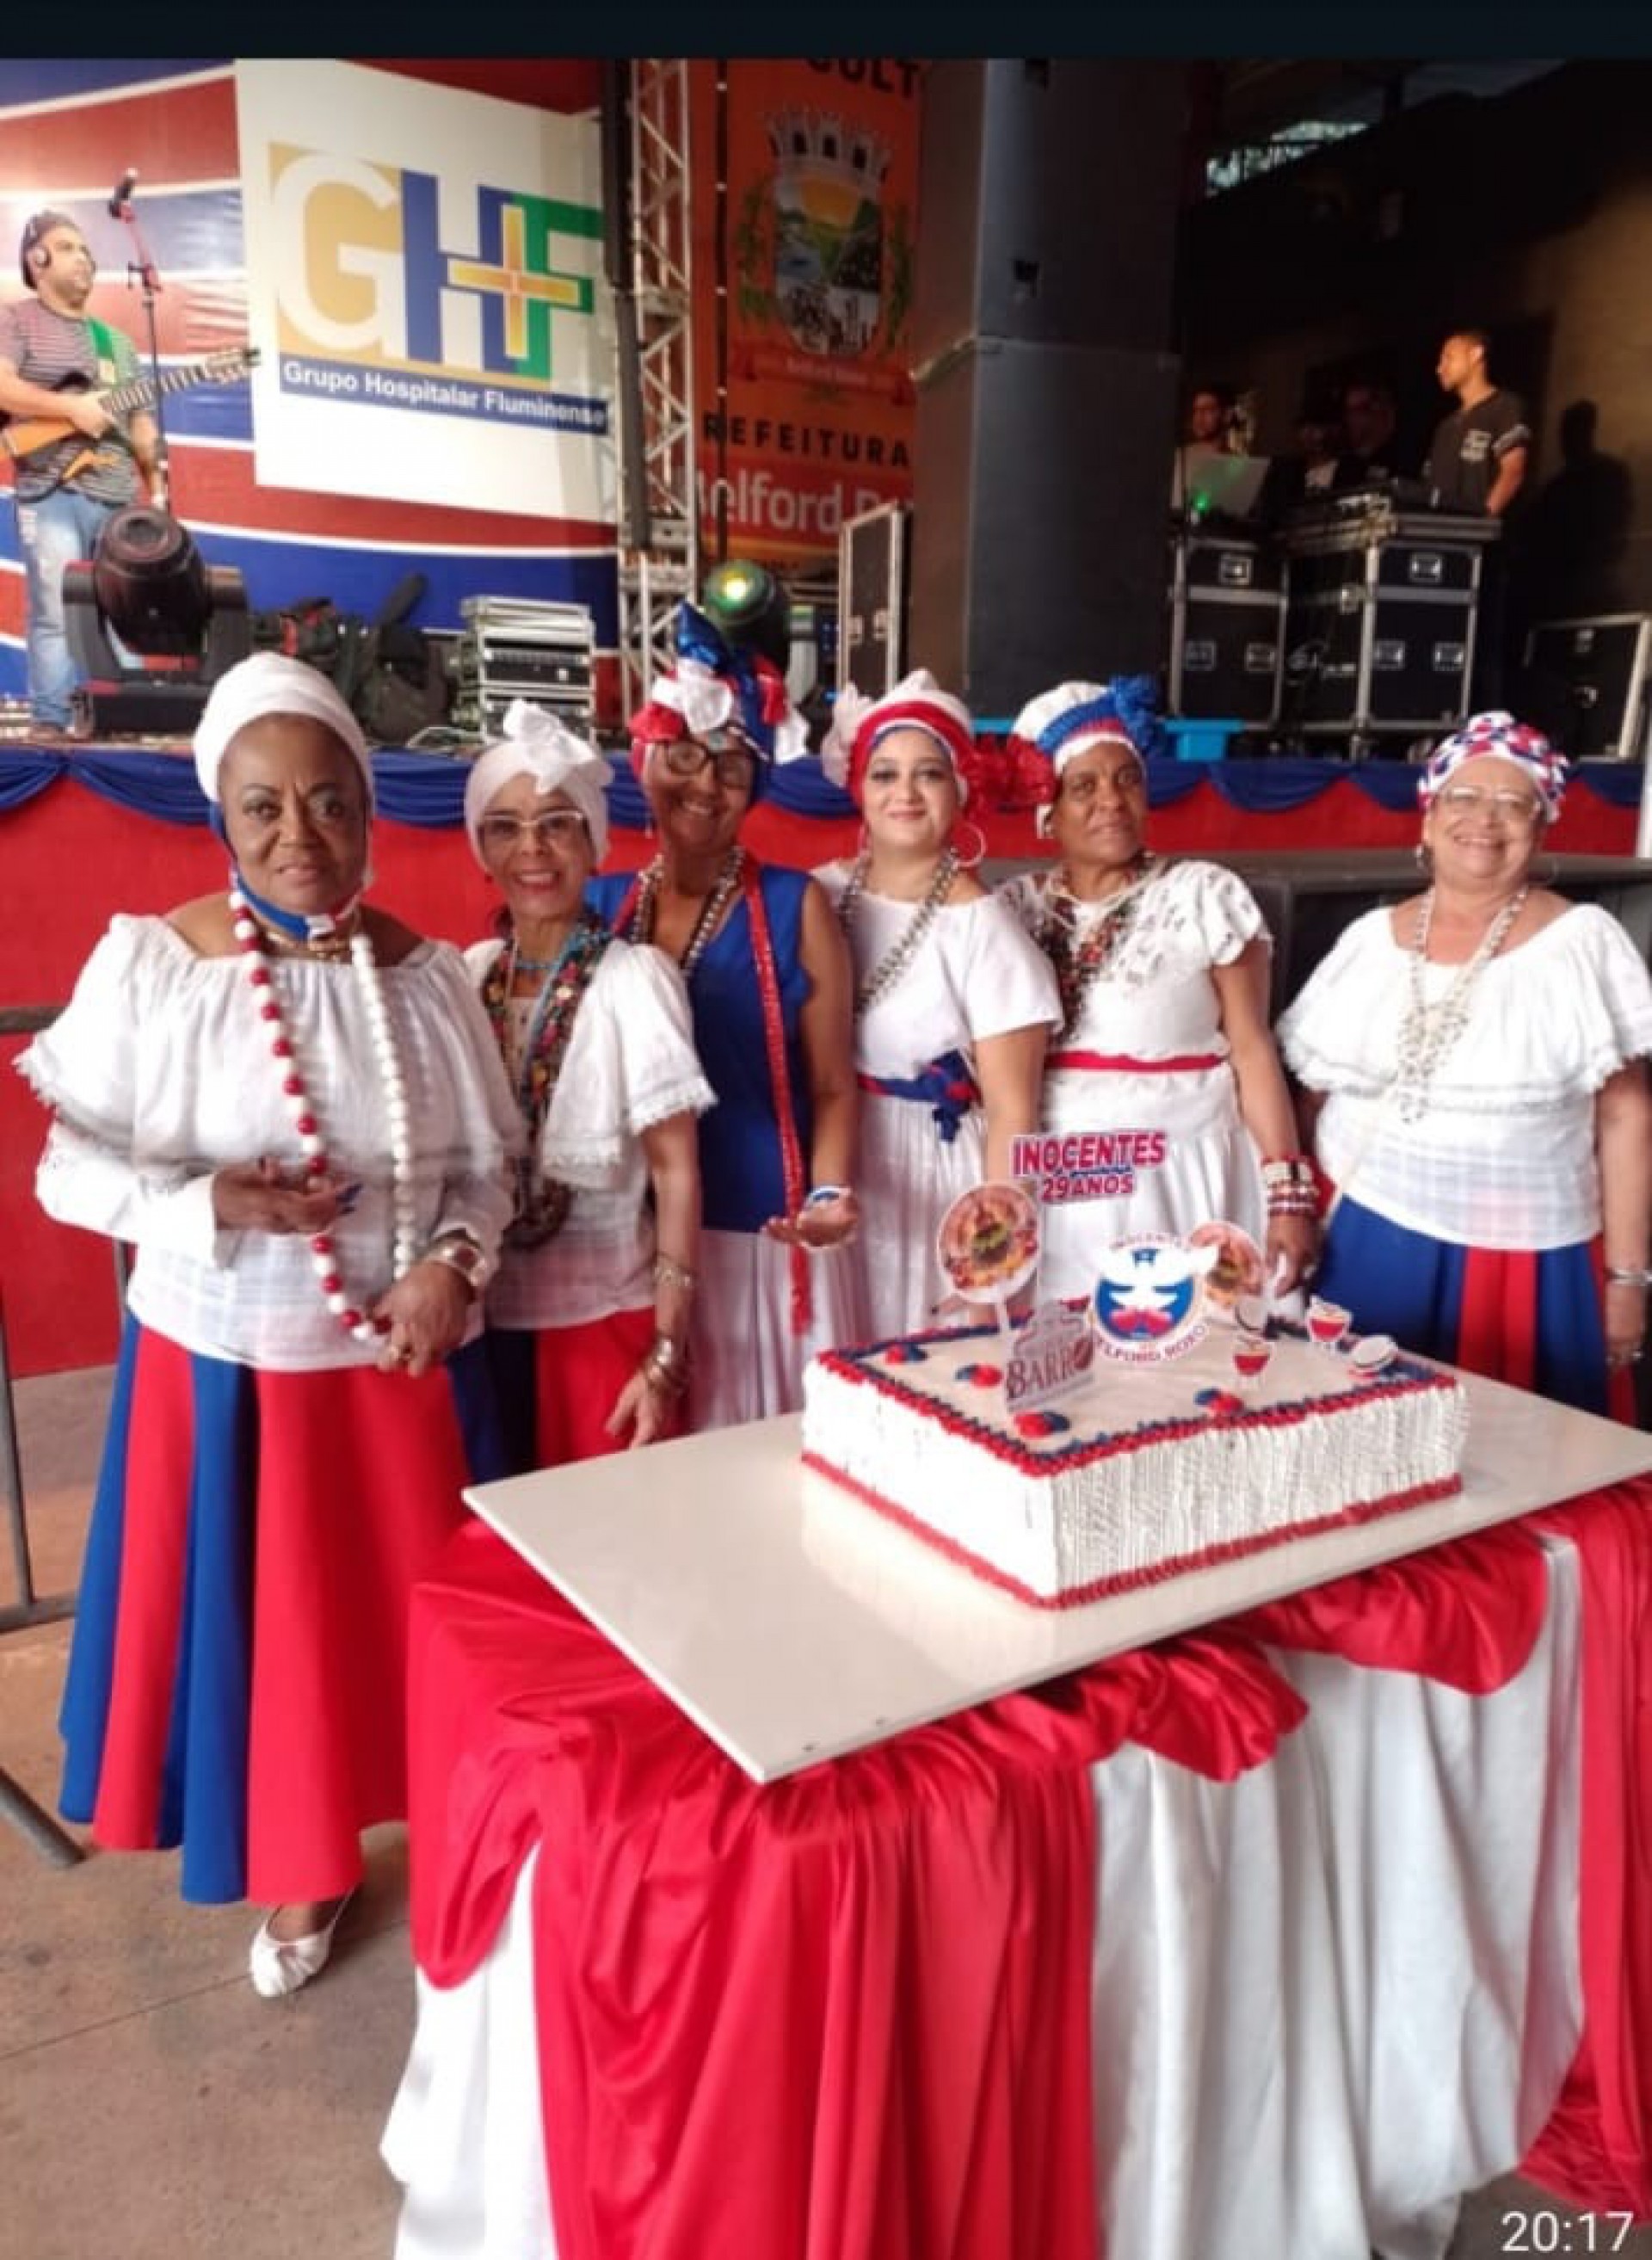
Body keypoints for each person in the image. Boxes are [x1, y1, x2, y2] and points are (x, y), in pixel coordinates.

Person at [15, 652, 521, 1995]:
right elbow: (65, 1170)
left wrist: (455, 1265)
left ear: (368, 805)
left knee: (410, 1636)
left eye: (328, 803)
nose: (299, 836)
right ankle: (308, 1859)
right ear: (221, 816)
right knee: (276, 1635)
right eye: (263, 808)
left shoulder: (427, 976)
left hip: (402, 1368)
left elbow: (487, 1166)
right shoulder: (160, 967)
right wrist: (205, 1201)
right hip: (230, 1373)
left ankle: (466, 1845)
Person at [1277, 711, 1652, 1419]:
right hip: (1365, 1238)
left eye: (1514, 803)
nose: (1486, 819)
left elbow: (1629, 1114)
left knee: (1512, 1454)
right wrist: (1290, 1217)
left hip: (1521, 1259)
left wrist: (1628, 1279)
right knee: (1359, 1438)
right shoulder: (1368, 941)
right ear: (1426, 820)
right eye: (1464, 797)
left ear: (1542, 831)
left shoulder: (1582, 943)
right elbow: (1311, 1100)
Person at [587, 604, 866, 1427]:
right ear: (646, 763)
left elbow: (834, 1084)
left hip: (757, 1237)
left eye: (731, 769)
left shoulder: (794, 904)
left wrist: (828, 1191)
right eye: (685, 757)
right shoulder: (601, 907)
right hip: (624, 1247)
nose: (705, 784)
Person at [998, 678, 1320, 1307]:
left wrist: (1287, 1193)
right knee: (1073, 1369)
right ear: (1048, 813)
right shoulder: (1016, 909)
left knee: (1191, 1367)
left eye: (1127, 780)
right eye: (1084, 787)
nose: (1111, 801)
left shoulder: (1204, 894)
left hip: (1186, 1174)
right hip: (1065, 1187)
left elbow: (1252, 1050)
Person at [463, 700, 715, 1467]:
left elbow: (677, 1175)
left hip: (604, 1326)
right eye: (505, 826)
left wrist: (667, 1349)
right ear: (482, 848)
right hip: (480, 1324)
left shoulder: (632, 982)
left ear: (594, 844)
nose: (532, 849)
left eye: (557, 824)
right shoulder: (468, 975)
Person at [815, 672, 1060, 1338]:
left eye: (928, 774)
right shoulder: (820, 892)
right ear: (858, 788)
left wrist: (996, 1268)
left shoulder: (985, 929)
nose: (904, 792)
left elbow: (1014, 1114)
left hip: (932, 1173)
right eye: (884, 773)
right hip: (834, 1159)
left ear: (962, 790)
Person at [0, 209, 161, 733]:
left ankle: (126, 721)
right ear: (36, 259)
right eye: (68, 248)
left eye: (87, 250)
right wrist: (71, 409)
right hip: (50, 490)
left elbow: (140, 423)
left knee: (123, 610)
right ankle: (50, 721)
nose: (84, 259)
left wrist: (156, 488)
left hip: (116, 493)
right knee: (53, 610)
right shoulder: (16, 320)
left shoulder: (119, 343)